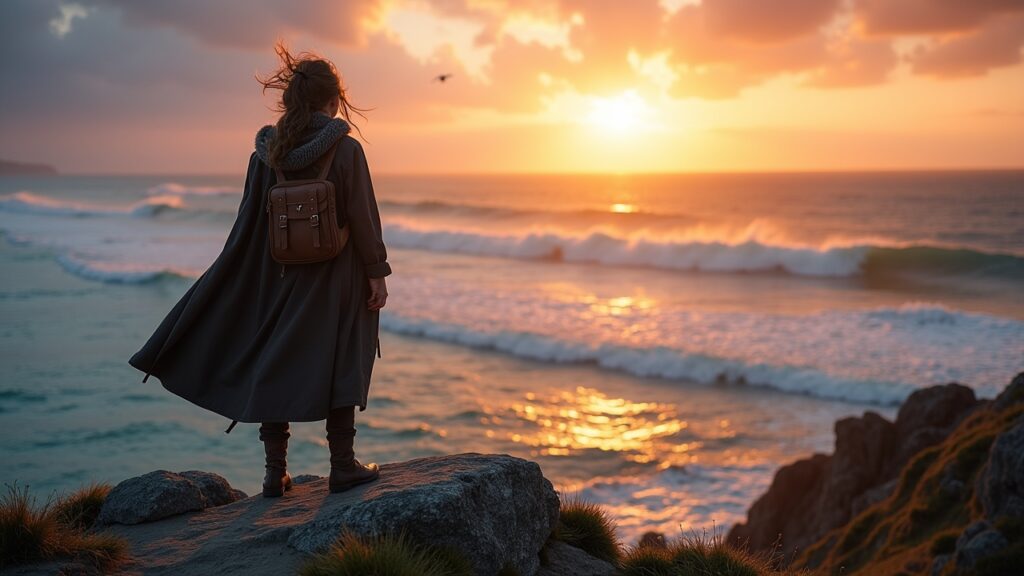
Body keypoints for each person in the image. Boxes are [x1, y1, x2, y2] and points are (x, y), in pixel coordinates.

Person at [128, 43, 390, 498]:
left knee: (276, 360)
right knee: (343, 356)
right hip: (336, 276)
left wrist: (236, 280)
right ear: (332, 102)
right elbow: (364, 219)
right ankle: (343, 467)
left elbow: (249, 223)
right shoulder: (346, 151)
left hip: (280, 275)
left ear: (289, 101)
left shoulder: (264, 154)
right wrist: (377, 272)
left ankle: (274, 474)